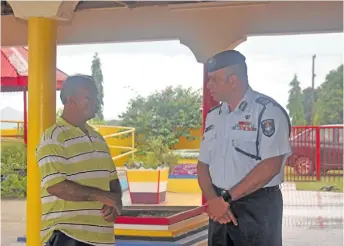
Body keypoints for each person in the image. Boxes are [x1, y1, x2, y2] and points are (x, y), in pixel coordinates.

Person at [197, 50, 292, 246]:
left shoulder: (266, 112)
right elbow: (202, 164)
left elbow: (271, 165)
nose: (209, 85)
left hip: (256, 207)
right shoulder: (214, 116)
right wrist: (214, 200)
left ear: (233, 80)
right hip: (220, 207)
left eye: (214, 80)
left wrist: (226, 198)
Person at [37, 74, 122, 246]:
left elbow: (113, 181)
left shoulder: (98, 138)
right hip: (67, 236)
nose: (95, 102)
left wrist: (115, 204)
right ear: (71, 100)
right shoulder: (53, 136)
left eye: (96, 97)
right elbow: (56, 186)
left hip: (102, 238)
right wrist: (102, 196)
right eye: (89, 97)